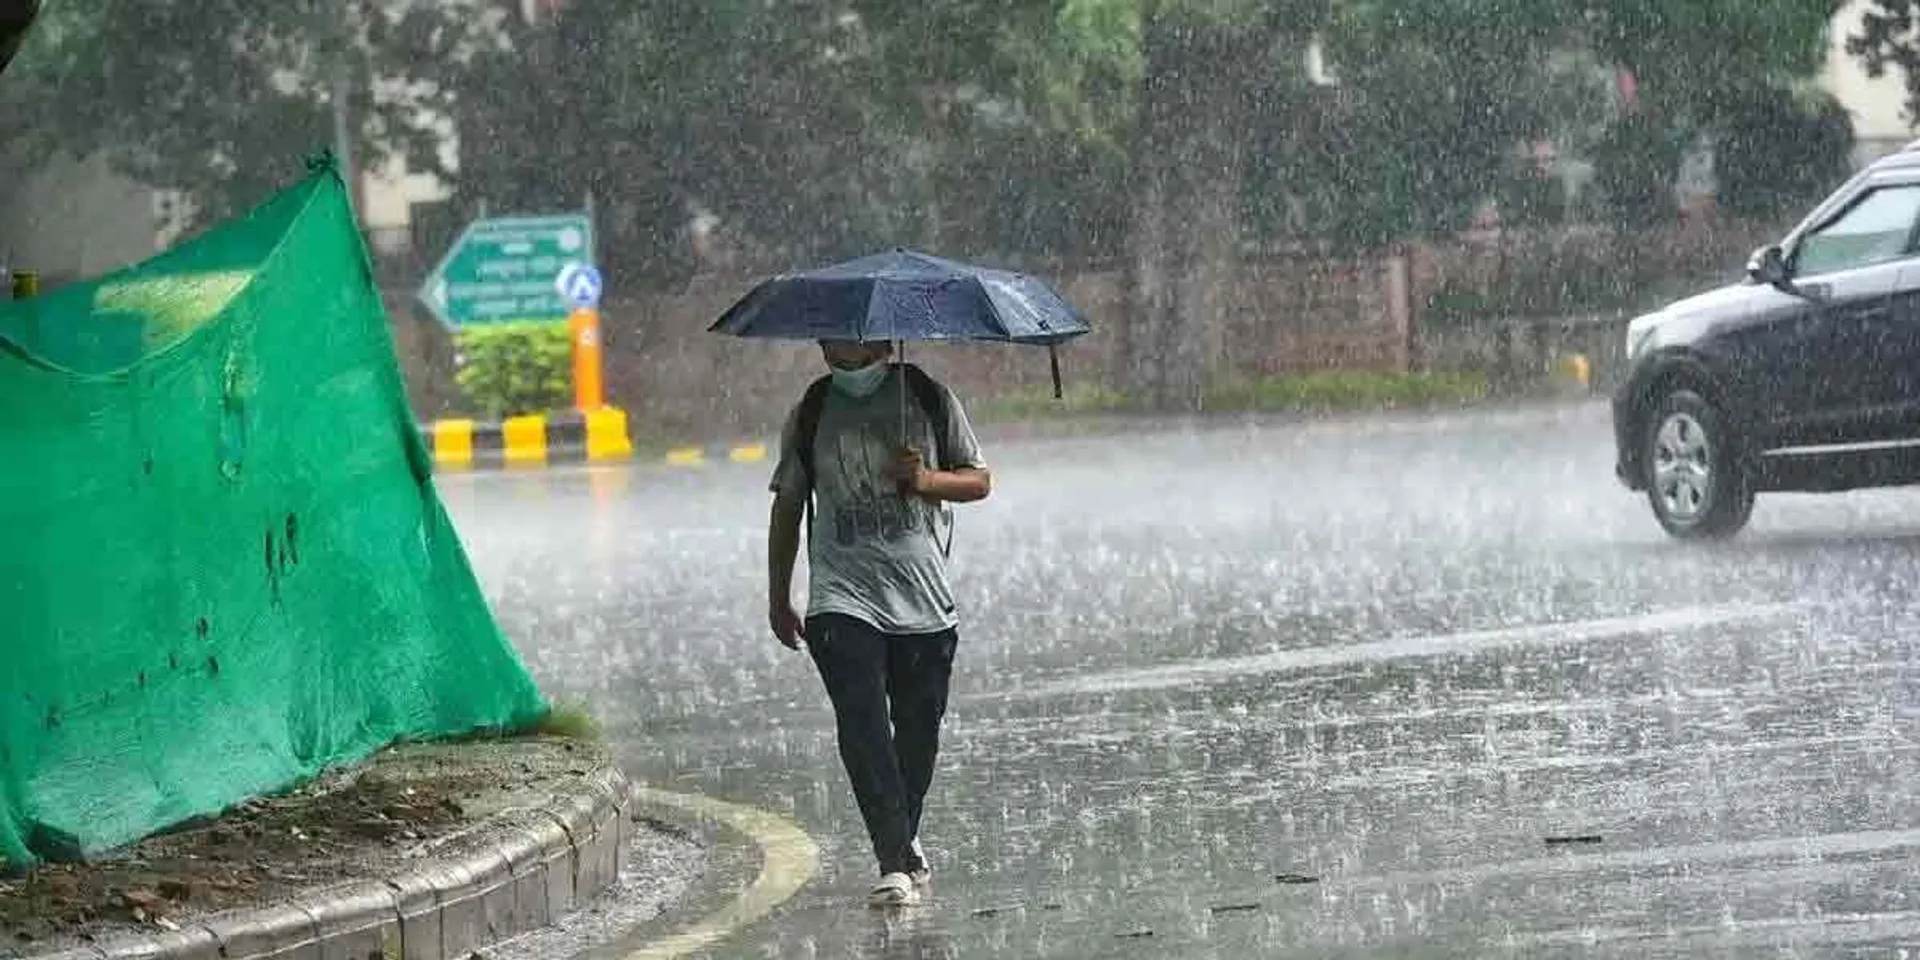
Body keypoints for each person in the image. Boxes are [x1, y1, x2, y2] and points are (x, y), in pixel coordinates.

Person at [766, 338, 991, 907]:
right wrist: (778, 594)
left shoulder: (928, 397)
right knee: (862, 728)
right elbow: (788, 504)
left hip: (924, 602)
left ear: (882, 339)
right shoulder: (813, 409)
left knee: (917, 735)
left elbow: (979, 480)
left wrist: (925, 481)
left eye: (847, 334)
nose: (834, 347)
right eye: (826, 337)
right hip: (841, 597)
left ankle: (904, 840)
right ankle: (893, 861)